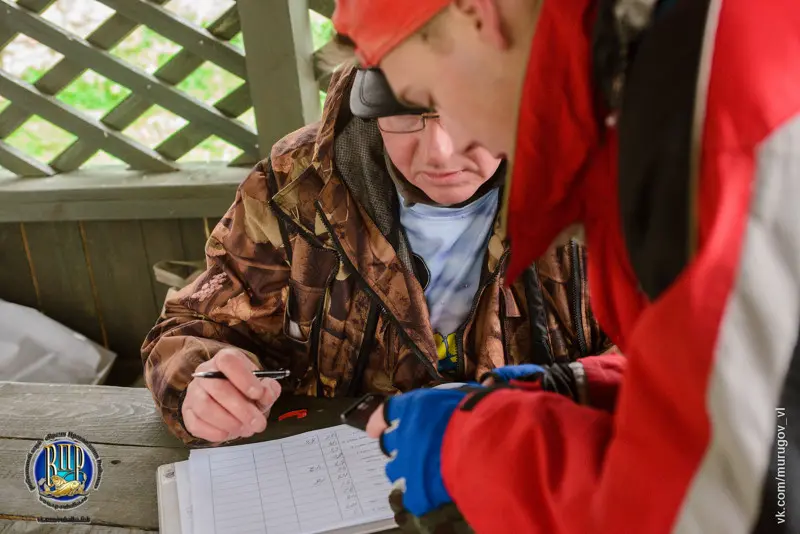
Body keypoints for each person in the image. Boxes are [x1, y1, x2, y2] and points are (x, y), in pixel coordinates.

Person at [333, 0, 800, 532]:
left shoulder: (712, 120)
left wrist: (474, 453)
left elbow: (740, 507)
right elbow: (759, 384)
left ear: (476, 12)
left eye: (432, 98)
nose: (450, 144)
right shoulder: (658, 77)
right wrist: (583, 387)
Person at [141, 65, 615, 448]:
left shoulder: (600, 183)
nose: (440, 153)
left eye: (469, 112)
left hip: (546, 478)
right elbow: (190, 330)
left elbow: (674, 351)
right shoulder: (298, 185)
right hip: (335, 481)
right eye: (406, 114)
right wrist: (200, 381)